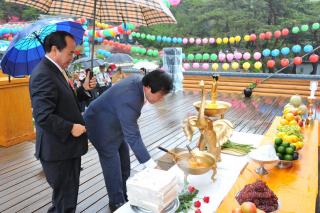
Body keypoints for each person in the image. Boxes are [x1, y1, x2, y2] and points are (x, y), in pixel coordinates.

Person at [83, 70, 173, 212]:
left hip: (115, 120)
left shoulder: (141, 82)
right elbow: (133, 136)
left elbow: (130, 129)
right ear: (149, 88)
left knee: (124, 161)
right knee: (112, 164)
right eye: (160, 96)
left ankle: (125, 193)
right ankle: (117, 203)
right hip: (99, 125)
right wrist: (151, 166)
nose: (161, 100)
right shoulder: (130, 98)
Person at [29, 31, 96, 213]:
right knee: (65, 202)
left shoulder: (57, 70)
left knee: (64, 199)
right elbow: (43, 116)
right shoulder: (43, 74)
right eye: (70, 53)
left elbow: (67, 102)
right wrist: (69, 128)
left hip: (66, 148)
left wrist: (83, 90)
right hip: (58, 150)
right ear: (54, 50)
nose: (73, 57)